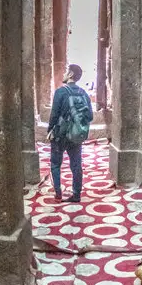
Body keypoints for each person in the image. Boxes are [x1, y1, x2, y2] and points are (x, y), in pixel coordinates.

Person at [47, 63, 93, 202]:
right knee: (76, 165)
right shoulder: (83, 93)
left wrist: (50, 130)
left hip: (60, 134)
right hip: (75, 135)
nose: (64, 74)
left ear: (71, 74)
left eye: (66, 72)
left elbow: (54, 114)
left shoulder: (60, 92)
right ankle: (77, 194)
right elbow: (90, 116)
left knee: (55, 164)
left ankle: (58, 194)